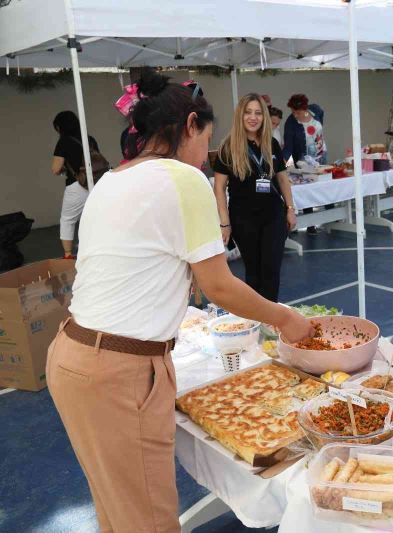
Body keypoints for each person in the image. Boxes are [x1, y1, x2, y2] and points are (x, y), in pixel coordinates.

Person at [47, 71, 314, 533]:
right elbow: (220, 286)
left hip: (74, 356)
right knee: (148, 519)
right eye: (206, 141)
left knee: (118, 508)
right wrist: (284, 318)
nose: (205, 157)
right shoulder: (183, 178)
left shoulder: (113, 177)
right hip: (119, 368)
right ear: (191, 124)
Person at [213, 94, 297, 302]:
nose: (253, 117)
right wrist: (225, 223)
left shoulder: (272, 144)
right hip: (243, 218)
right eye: (248, 112)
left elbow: (284, 180)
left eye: (258, 113)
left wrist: (290, 209)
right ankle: (256, 319)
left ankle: (270, 320)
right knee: (253, 272)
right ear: (240, 116)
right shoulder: (228, 147)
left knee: (271, 269)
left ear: (264, 117)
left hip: (274, 215)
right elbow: (219, 188)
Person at [51, 110, 100, 259]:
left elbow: (55, 168)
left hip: (77, 185)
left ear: (60, 127)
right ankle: (95, 248)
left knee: (67, 219)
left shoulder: (64, 141)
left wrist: (65, 167)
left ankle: (68, 255)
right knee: (93, 216)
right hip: (97, 183)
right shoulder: (89, 139)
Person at [283, 94, 327, 233]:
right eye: (293, 112)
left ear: (305, 108)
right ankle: (310, 223)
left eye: (297, 112)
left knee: (326, 184)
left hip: (321, 156)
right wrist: (281, 163)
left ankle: (332, 215)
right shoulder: (291, 123)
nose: (295, 114)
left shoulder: (316, 110)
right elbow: (288, 147)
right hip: (304, 161)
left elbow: (321, 120)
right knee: (309, 188)